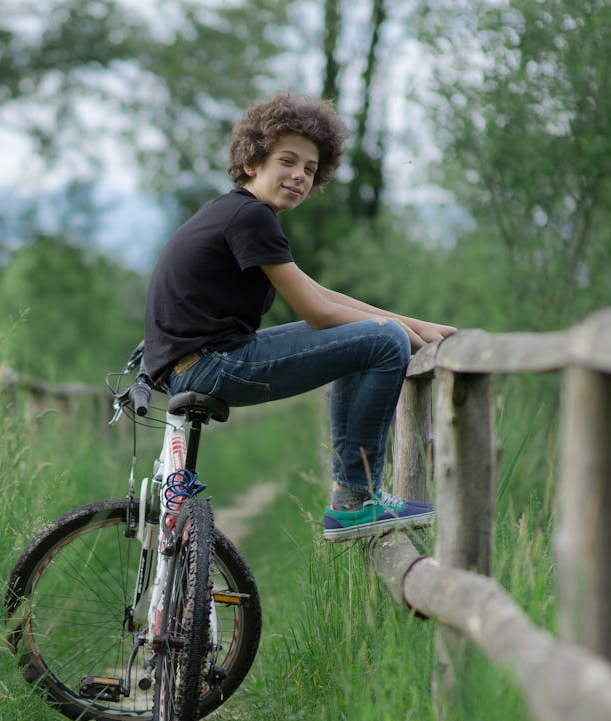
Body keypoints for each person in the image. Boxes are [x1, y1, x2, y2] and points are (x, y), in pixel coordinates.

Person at [144, 92, 457, 541]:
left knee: (377, 335)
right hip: (211, 365)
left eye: (310, 169)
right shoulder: (251, 217)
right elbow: (316, 311)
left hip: (195, 365)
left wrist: (414, 324)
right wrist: (400, 332)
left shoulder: (236, 212)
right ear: (253, 161)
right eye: (287, 161)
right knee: (383, 341)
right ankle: (356, 499)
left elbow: (319, 293)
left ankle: (355, 495)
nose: (299, 176)